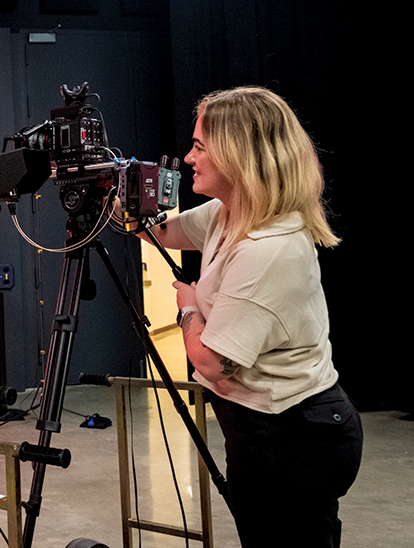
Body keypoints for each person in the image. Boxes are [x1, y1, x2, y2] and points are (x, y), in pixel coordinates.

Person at [140, 86, 362, 547]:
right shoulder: (230, 213)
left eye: (199, 146)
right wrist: (118, 196)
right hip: (261, 429)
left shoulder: (269, 248)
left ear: (237, 155)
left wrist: (188, 305)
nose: (187, 157)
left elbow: (212, 363)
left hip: (296, 436)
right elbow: (167, 231)